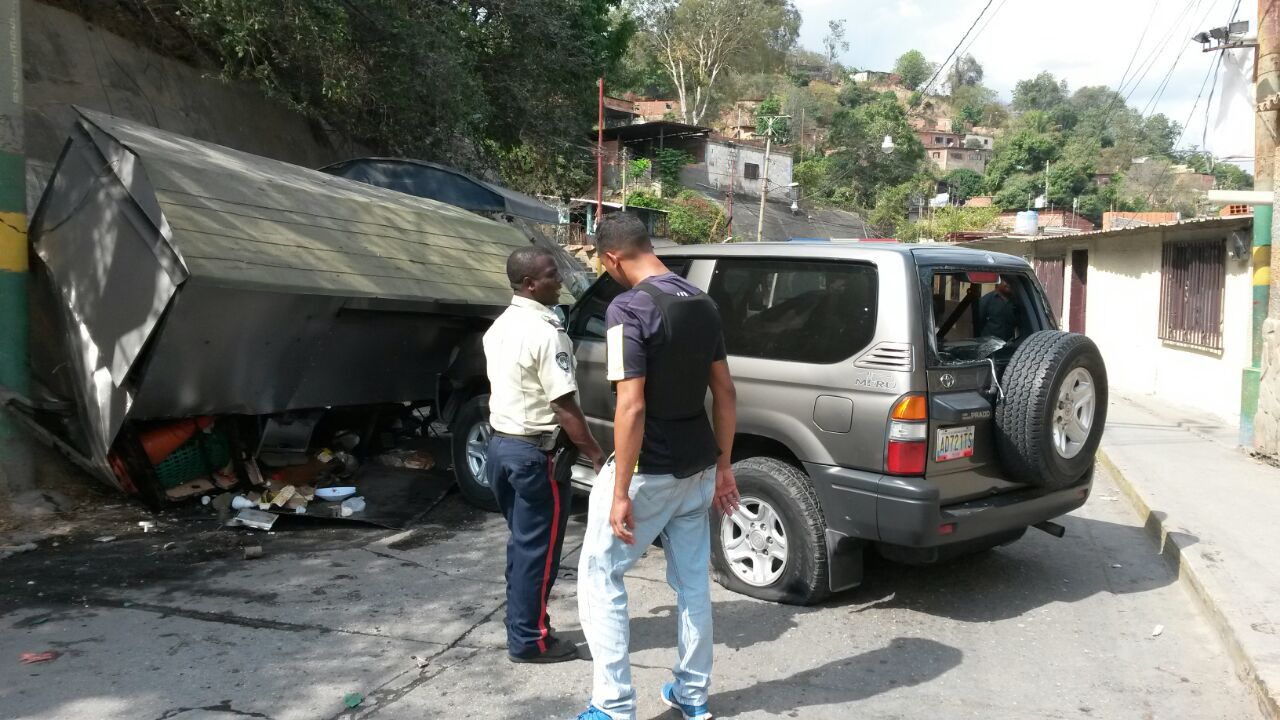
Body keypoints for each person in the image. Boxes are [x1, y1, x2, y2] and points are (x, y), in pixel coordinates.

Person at [575, 213, 740, 720]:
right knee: (692, 583)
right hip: (698, 466)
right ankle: (692, 695)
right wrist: (725, 467)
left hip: (651, 468)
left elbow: (631, 406)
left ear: (611, 259)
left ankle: (613, 705)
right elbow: (725, 392)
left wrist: (621, 489)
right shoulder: (703, 304)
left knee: (601, 575)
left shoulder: (629, 308)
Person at [483, 246, 605, 664]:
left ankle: (523, 625)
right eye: (553, 275)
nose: (562, 281)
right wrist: (596, 453)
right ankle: (530, 641)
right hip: (536, 457)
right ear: (531, 284)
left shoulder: (500, 326)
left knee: (523, 547)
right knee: (539, 553)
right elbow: (564, 405)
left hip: (502, 448)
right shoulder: (545, 332)